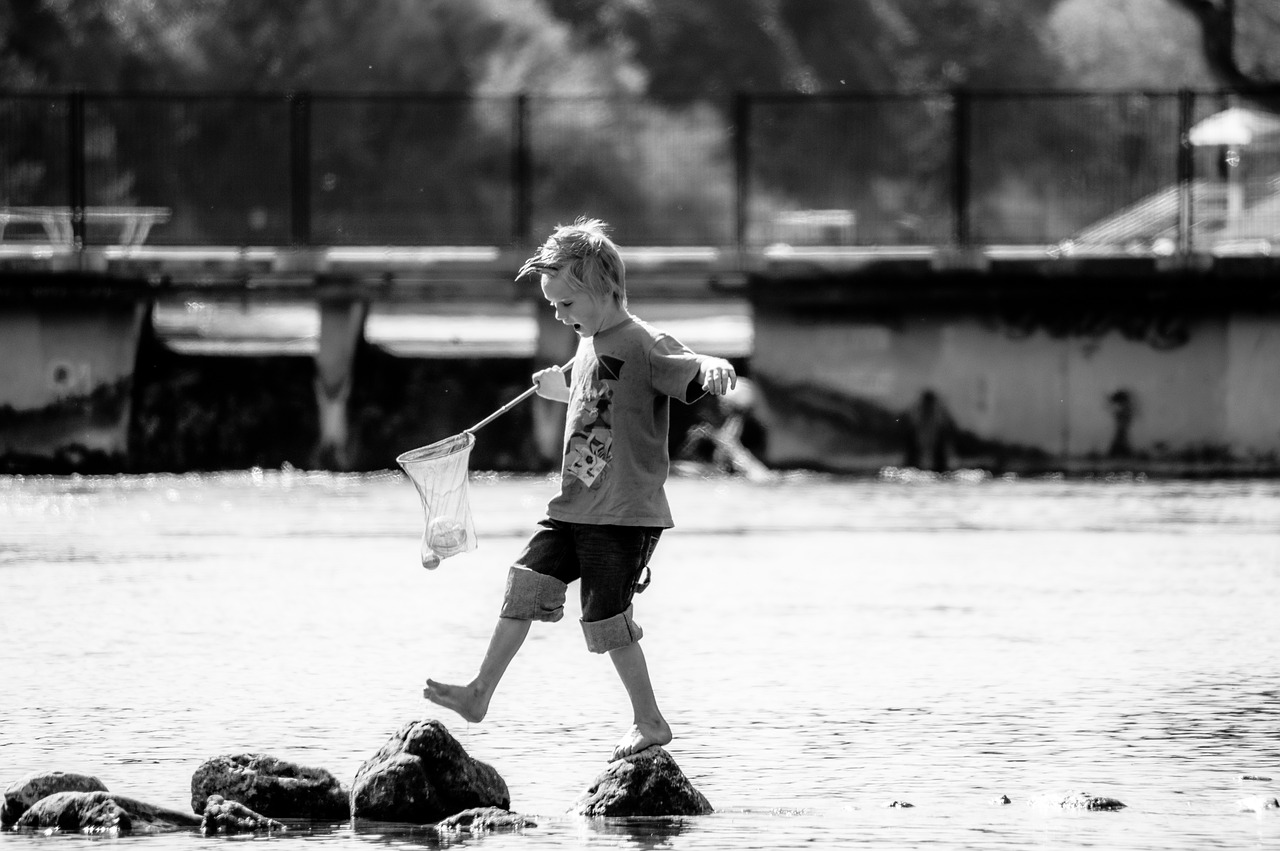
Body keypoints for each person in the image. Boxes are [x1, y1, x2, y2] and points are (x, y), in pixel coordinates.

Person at [423, 217, 737, 760]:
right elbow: (604, 409)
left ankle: (650, 721)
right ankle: (480, 693)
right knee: (524, 584)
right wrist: (561, 391)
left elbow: (687, 364)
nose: (558, 315)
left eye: (566, 304)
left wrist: (712, 366)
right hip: (575, 506)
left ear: (605, 288)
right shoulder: (589, 344)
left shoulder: (642, 341)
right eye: (553, 306)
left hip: (624, 511)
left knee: (605, 618)